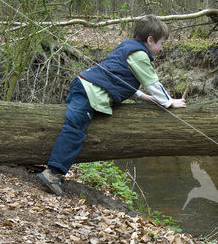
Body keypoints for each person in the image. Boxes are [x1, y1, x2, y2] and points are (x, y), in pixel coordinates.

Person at [37, 15, 186, 197]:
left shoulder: (127, 47)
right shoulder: (139, 54)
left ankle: (54, 172)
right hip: (88, 90)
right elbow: (152, 82)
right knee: (75, 128)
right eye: (161, 43)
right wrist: (169, 102)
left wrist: (143, 98)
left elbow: (117, 77)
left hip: (85, 86)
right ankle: (53, 173)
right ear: (150, 40)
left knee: (75, 126)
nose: (162, 49)